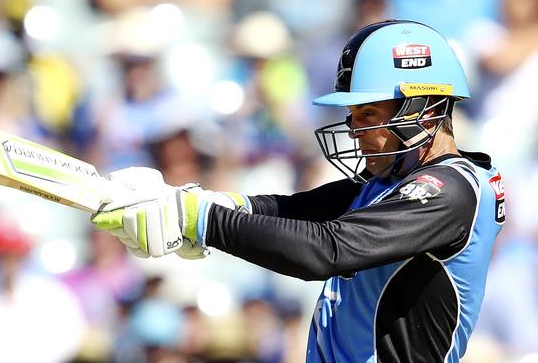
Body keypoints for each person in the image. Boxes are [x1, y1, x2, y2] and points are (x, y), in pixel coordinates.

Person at [92, 20, 505, 362]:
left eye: (369, 114)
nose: (356, 131)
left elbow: (327, 250)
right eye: (352, 115)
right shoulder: (390, 182)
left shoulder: (450, 191)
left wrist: (197, 219)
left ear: (424, 109)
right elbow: (295, 210)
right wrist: (211, 202)